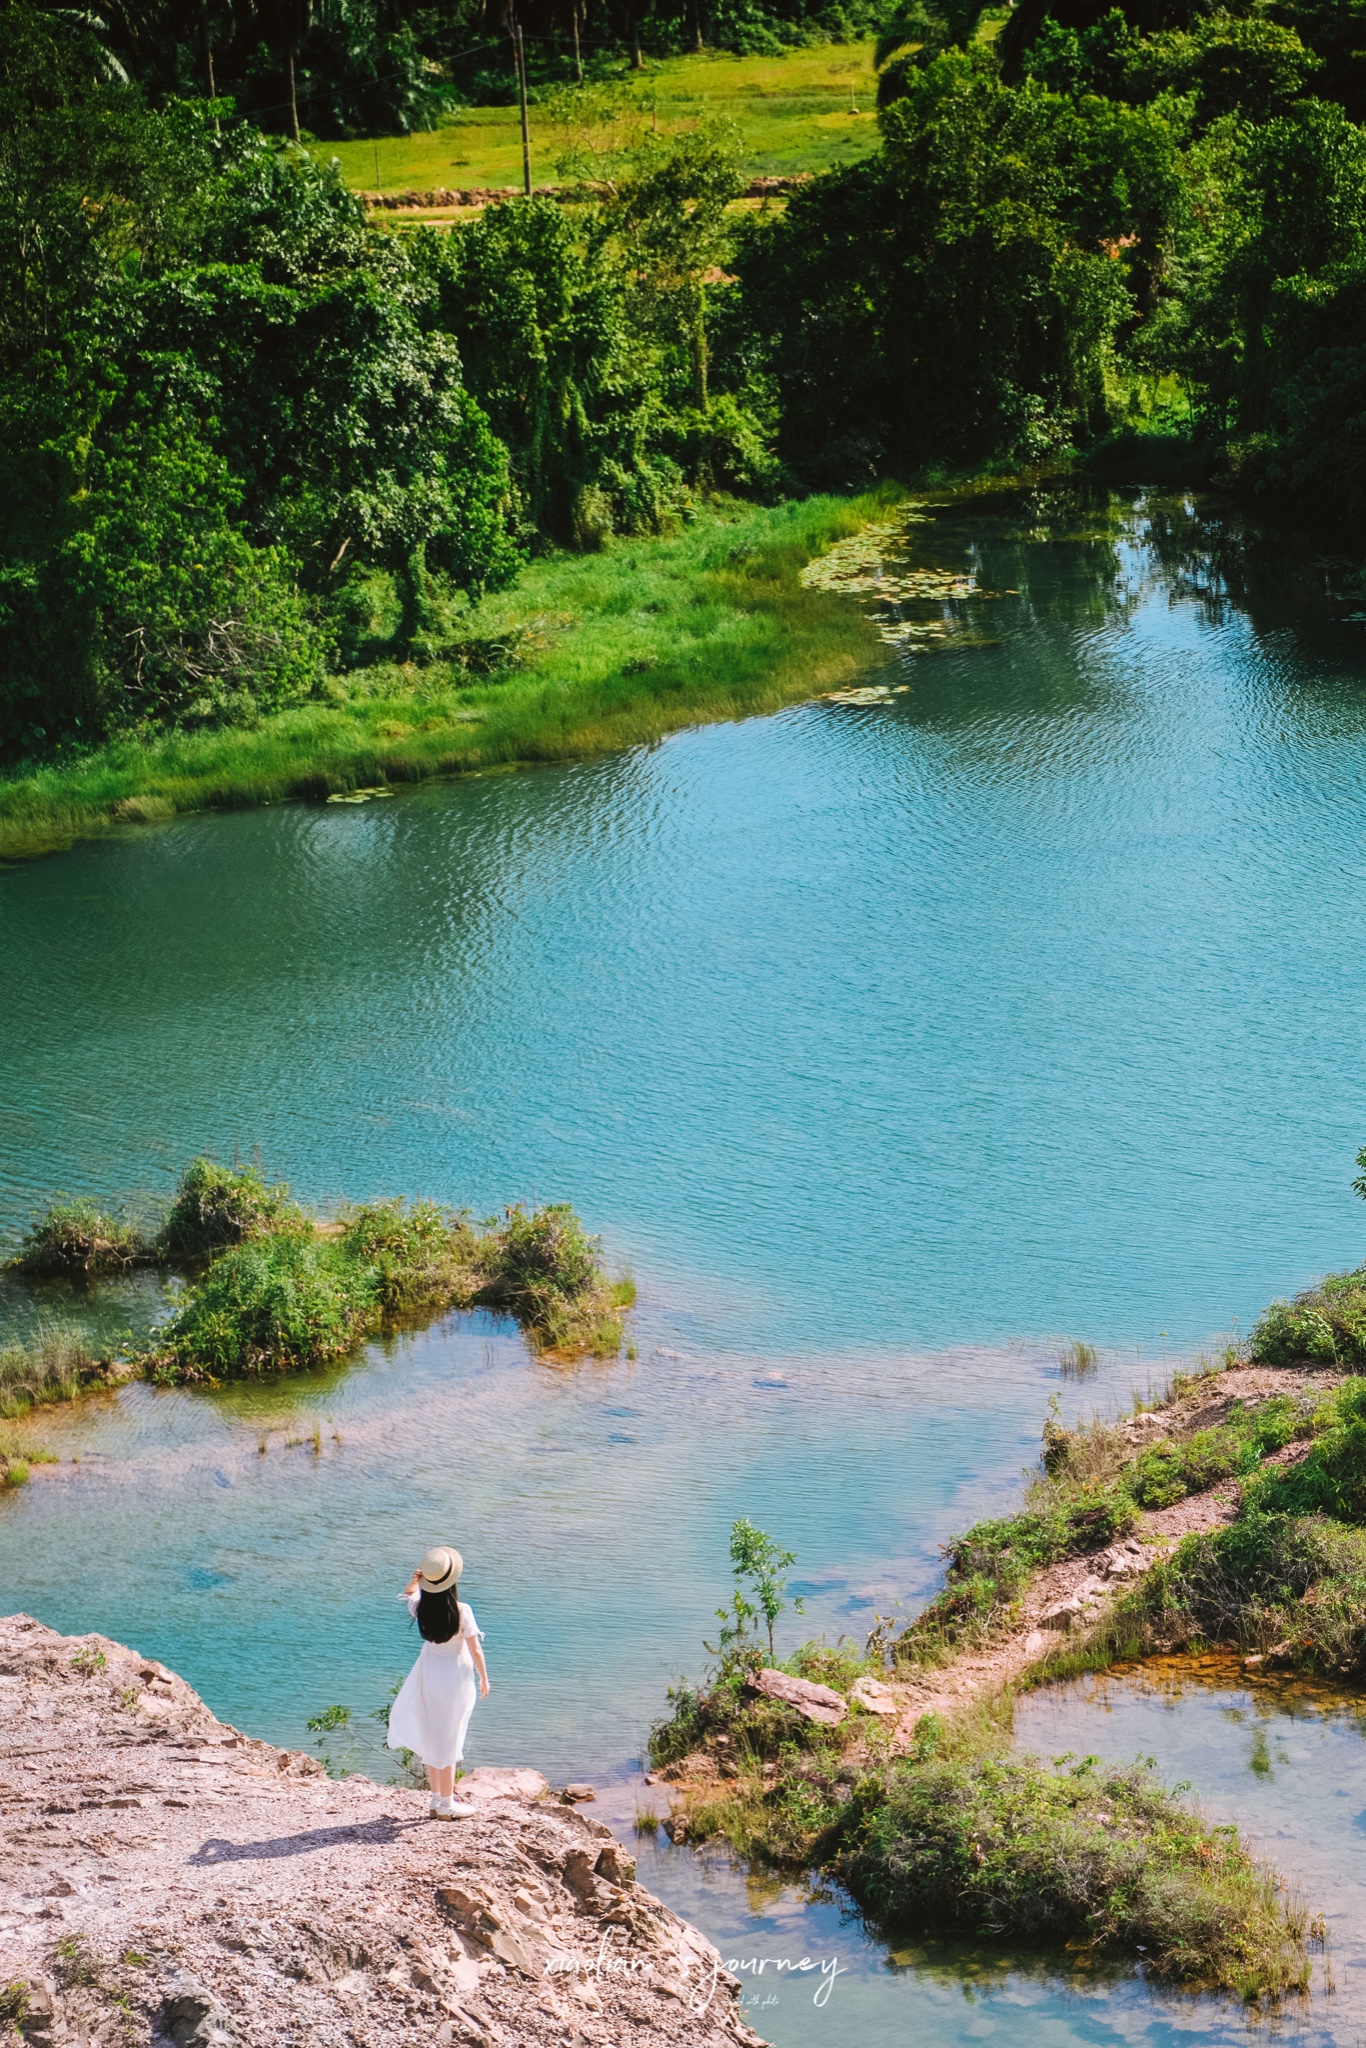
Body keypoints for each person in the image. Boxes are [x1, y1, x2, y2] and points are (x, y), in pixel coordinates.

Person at [387, 1545, 490, 1819]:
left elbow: (409, 1592)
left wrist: (416, 1580)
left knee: (435, 1735)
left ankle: (435, 1800)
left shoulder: (421, 1607)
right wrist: (484, 1677)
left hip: (429, 1673)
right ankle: (447, 1805)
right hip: (455, 1677)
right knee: (450, 1738)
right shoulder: (462, 1610)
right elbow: (475, 1650)